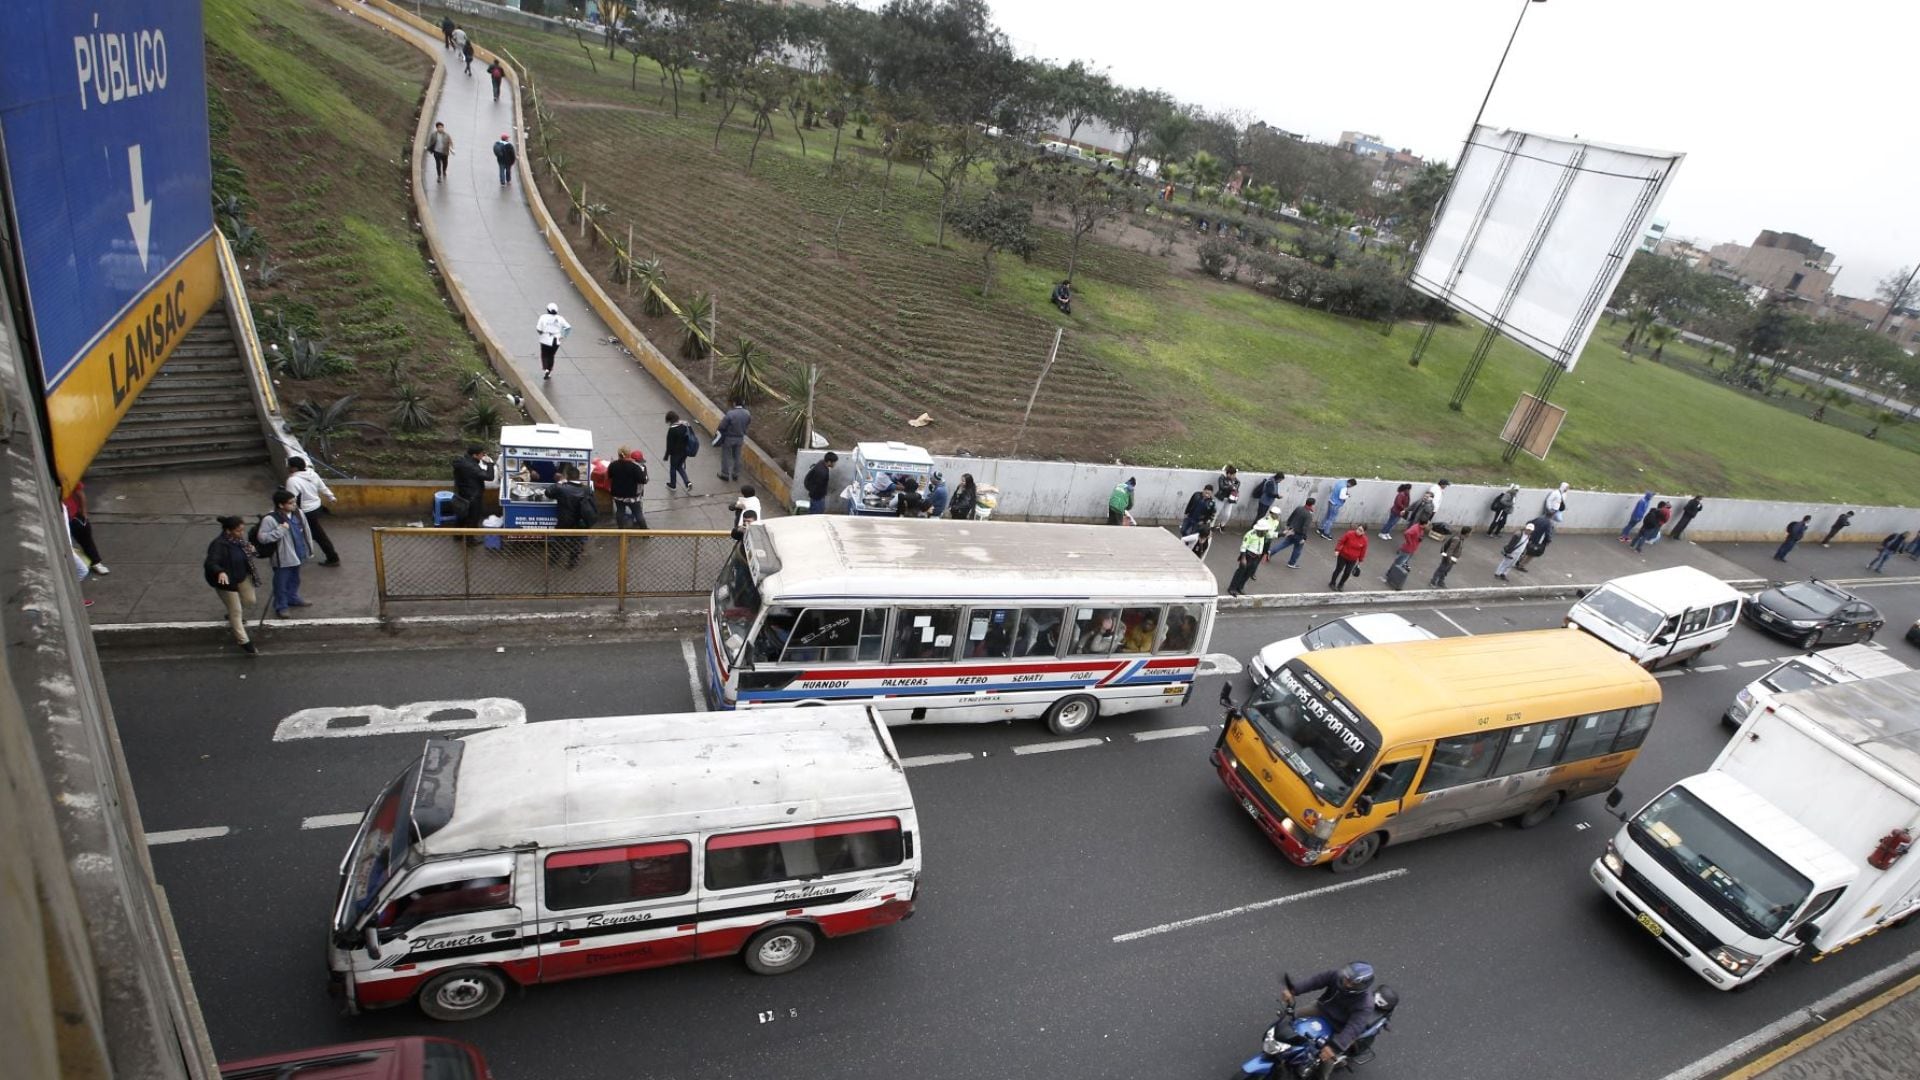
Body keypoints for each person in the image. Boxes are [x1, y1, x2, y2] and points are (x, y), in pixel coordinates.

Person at [1283, 963, 1382, 1080]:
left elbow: (1354, 1027)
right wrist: (1293, 990)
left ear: (1361, 986)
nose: (1346, 982)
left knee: (1326, 1061)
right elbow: (1315, 981)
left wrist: (1334, 1047)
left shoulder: (1365, 1004)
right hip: (1321, 1009)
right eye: (1346, 978)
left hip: (1339, 1027)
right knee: (1292, 1017)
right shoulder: (1336, 975)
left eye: (1351, 982)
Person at [204, 515, 259, 655]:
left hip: (241, 577)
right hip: (226, 583)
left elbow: (247, 555)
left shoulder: (239, 541)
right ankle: (244, 642)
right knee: (236, 612)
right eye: (238, 531)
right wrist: (220, 572)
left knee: (250, 600)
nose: (241, 533)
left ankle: (232, 613)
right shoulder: (218, 545)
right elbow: (211, 562)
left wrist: (251, 550)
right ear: (228, 531)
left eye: (242, 530)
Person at [257, 488, 313, 618]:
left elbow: (306, 530)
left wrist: (309, 549)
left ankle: (292, 598)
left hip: (298, 553)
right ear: (281, 505)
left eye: (294, 502)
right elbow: (263, 538)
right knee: (281, 583)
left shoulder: (298, 513)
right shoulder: (270, 519)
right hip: (283, 557)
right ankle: (281, 606)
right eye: (290, 503)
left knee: (295, 579)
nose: (294, 505)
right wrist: (280, 530)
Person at [286, 456, 340, 566]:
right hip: (316, 508)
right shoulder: (312, 474)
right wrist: (331, 497)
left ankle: (332, 557)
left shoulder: (293, 481)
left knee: (316, 535)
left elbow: (290, 499)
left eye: (289, 466)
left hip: (305, 512)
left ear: (294, 468)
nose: (288, 468)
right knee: (312, 532)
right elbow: (322, 487)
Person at [545, 464, 595, 567]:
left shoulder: (562, 488)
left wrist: (559, 482)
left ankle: (553, 560)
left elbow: (548, 492)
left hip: (564, 519)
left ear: (567, 477)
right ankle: (572, 562)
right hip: (580, 520)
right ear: (578, 476)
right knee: (576, 541)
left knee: (558, 540)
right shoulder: (587, 489)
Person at [64, 481, 109, 577]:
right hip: (61, 519)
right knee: (65, 544)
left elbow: (80, 493)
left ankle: (95, 561)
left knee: (86, 538)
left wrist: (84, 513)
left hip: (73, 516)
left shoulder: (66, 475)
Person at [1227, 515, 1278, 596]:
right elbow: (1243, 546)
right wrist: (1243, 558)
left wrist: (1283, 534)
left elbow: (1272, 535)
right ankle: (1232, 588)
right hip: (1248, 556)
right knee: (1240, 572)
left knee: (1248, 573)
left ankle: (1240, 587)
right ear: (1261, 529)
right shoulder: (1250, 534)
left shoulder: (1264, 534)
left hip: (1257, 557)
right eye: (1265, 530)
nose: (1266, 531)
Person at [451, 443, 495, 532]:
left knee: (462, 516)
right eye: (482, 454)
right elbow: (489, 477)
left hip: (462, 494)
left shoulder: (463, 461)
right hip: (473, 497)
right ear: (474, 455)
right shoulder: (471, 467)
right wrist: (490, 464)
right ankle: (470, 540)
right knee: (473, 518)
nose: (483, 456)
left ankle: (458, 536)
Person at [606, 447, 648, 529]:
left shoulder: (613, 465)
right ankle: (645, 532)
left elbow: (609, 476)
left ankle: (621, 531)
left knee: (620, 512)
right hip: (632, 496)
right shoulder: (635, 467)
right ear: (629, 455)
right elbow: (643, 480)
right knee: (638, 513)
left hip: (617, 495)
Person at [1272, 498, 1316, 569]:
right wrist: (1304, 537)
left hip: (1291, 531)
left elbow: (1291, 516)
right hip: (1299, 535)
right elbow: (1305, 527)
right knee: (1297, 549)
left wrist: (1288, 525)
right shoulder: (1309, 515)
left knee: (1283, 544)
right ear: (1312, 505)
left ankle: (1270, 552)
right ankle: (1291, 563)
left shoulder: (1299, 508)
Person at [717, 396, 752, 482]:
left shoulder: (730, 414)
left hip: (729, 438)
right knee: (737, 456)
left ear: (734, 403)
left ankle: (725, 474)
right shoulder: (747, 413)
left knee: (726, 456)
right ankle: (736, 474)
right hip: (740, 438)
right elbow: (748, 423)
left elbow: (722, 426)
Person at [535, 302, 571, 381]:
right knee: (551, 355)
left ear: (547, 310)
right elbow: (568, 327)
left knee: (544, 354)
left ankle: (545, 369)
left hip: (545, 338)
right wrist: (563, 336)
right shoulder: (560, 318)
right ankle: (549, 370)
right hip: (556, 339)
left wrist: (541, 333)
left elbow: (539, 329)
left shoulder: (543, 317)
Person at [1329, 524, 1368, 591]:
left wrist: (1360, 560)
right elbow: (1341, 541)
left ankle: (1341, 584)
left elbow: (1363, 550)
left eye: (1361, 530)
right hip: (1343, 556)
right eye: (1358, 529)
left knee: (1347, 572)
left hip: (1352, 559)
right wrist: (1337, 550)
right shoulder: (1349, 534)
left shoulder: (1364, 540)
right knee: (1338, 569)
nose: (1358, 531)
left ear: (1364, 532)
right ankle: (1332, 583)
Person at [663, 411, 695, 493]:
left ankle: (673, 485)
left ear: (670, 420)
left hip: (675, 453)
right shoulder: (686, 424)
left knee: (673, 467)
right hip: (685, 451)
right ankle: (688, 482)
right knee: (679, 466)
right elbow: (692, 436)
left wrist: (666, 455)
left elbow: (669, 444)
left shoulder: (672, 430)